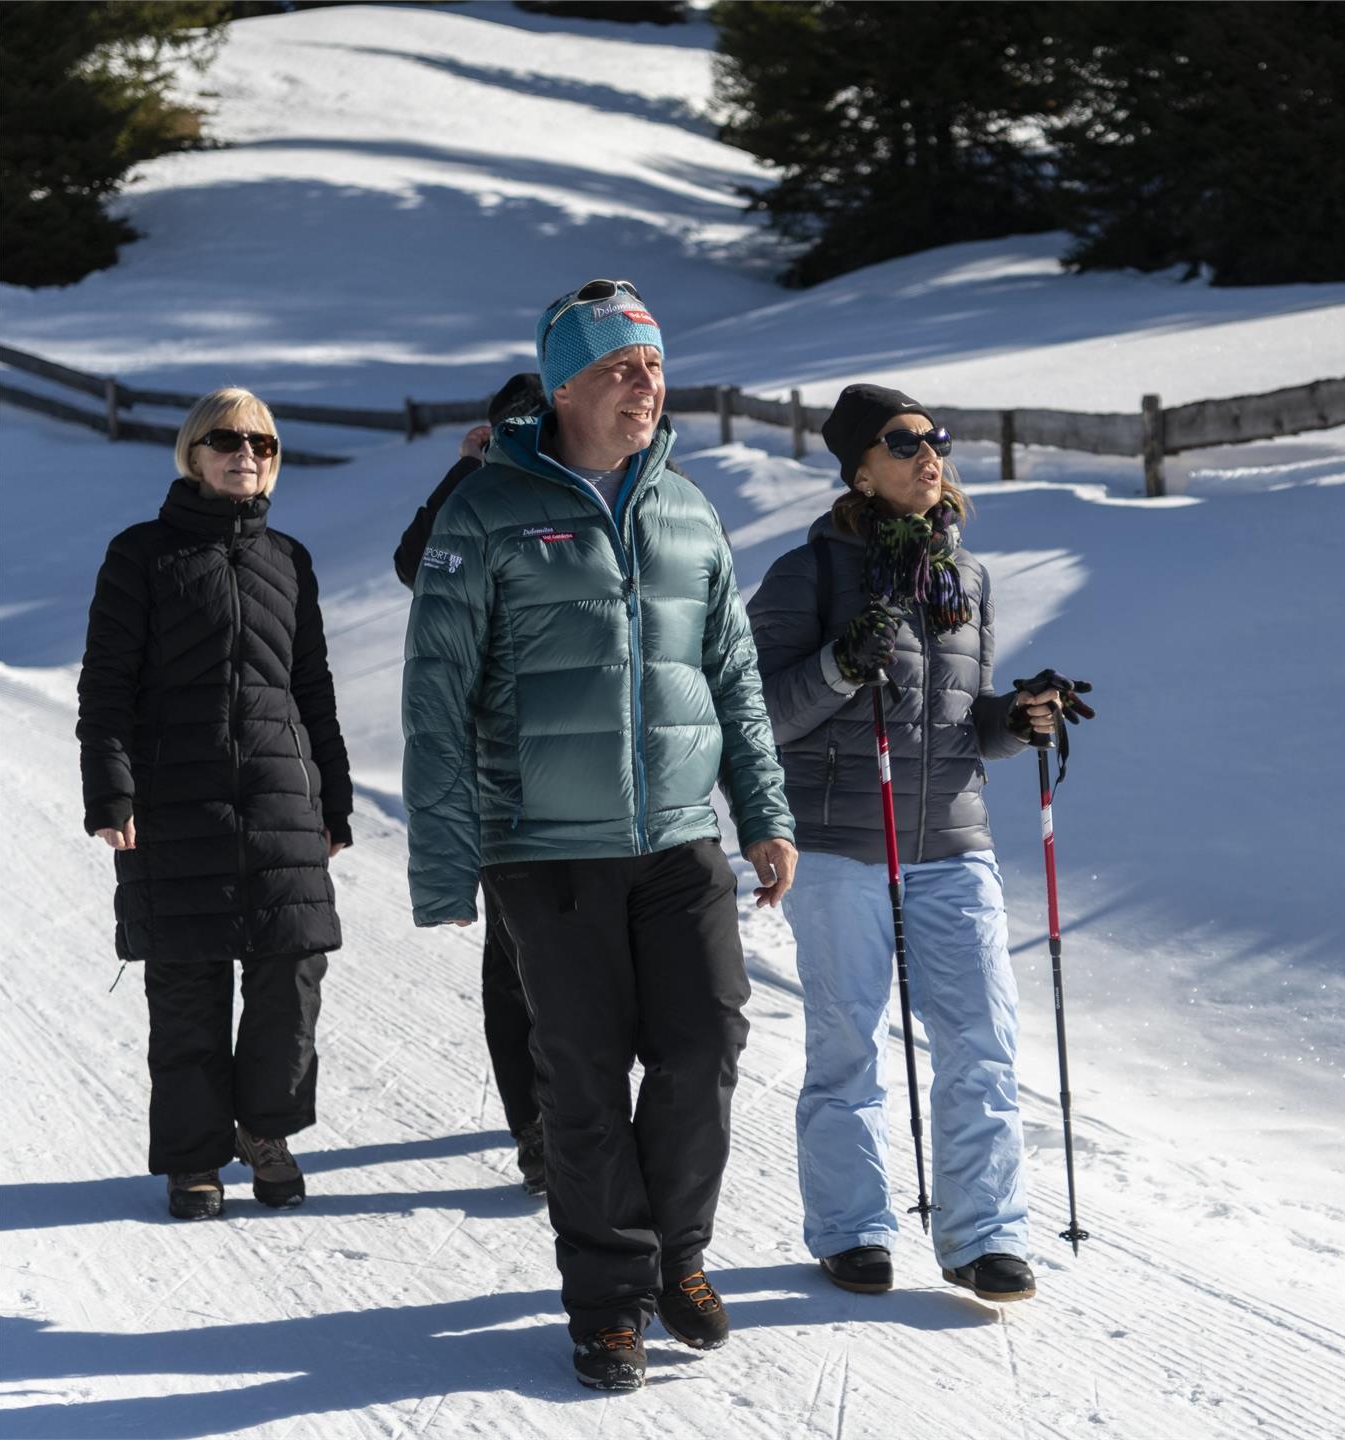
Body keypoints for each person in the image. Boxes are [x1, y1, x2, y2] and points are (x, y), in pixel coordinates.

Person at [402, 279, 797, 1391]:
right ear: (565, 383)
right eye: (622, 369)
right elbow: (433, 695)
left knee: (705, 1049)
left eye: (656, 366)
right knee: (580, 1079)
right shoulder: (482, 511)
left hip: (679, 841)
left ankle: (679, 1256)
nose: (646, 386)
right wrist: (446, 862)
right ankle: (610, 1302)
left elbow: (731, 675)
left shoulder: (687, 507)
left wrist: (762, 812)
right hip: (546, 849)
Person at [746, 383, 1095, 1304]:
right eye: (903, 442)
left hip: (952, 840)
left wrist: (1019, 720)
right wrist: (838, 664)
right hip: (838, 846)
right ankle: (852, 1229)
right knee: (848, 1048)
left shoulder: (964, 578)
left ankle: (983, 1235)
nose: (929, 452)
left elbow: (951, 729)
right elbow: (756, 717)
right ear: (859, 468)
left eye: (937, 437)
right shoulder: (806, 576)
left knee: (982, 1042)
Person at [77, 387, 352, 1221]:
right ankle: (195, 1157)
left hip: (279, 798)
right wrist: (111, 790)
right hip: (177, 800)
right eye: (229, 440)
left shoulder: (289, 559)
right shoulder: (141, 555)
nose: (248, 455)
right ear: (194, 452)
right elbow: (107, 686)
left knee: (290, 976)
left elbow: (313, 688)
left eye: (264, 445)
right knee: (189, 983)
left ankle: (267, 1131)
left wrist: (333, 798)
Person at [393, 371, 549, 1196]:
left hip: (595, 775)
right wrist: (467, 469)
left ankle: (586, 1114)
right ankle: (536, 1129)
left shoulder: (584, 494)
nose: (527, 434)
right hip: (504, 770)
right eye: (510, 424)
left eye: (538, 420)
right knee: (514, 957)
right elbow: (413, 563)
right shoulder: (477, 504)